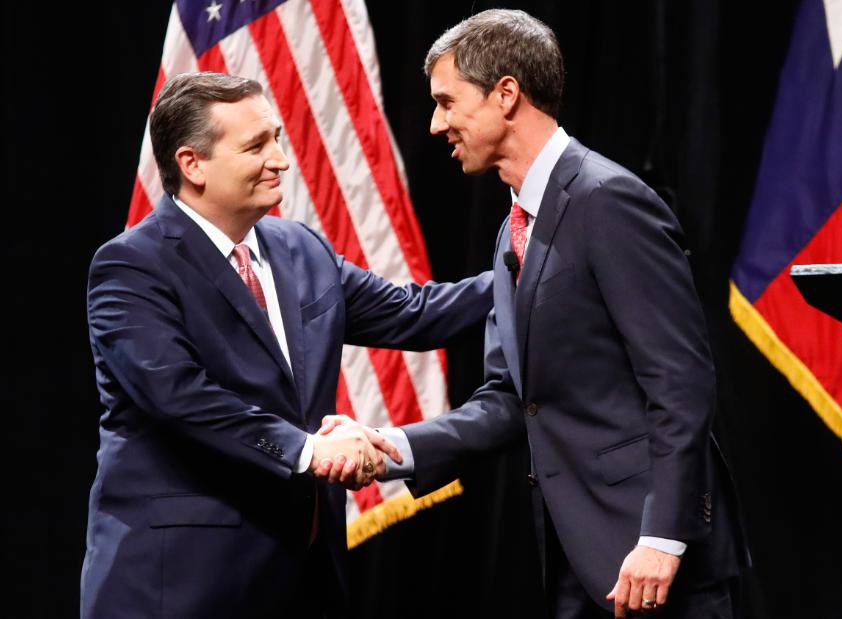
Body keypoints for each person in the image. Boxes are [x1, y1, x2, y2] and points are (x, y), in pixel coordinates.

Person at [321, 9, 741, 618]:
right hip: (579, 560)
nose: (437, 123)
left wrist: (661, 538)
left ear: (506, 94)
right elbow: (508, 403)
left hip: (653, 561)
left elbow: (680, 381)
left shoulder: (607, 200)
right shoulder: (514, 230)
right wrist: (389, 446)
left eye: (447, 101)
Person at [80, 71, 493, 618]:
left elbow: (414, 315)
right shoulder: (132, 266)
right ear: (192, 164)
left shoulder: (299, 247)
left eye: (276, 137)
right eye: (257, 145)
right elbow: (179, 396)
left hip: (302, 575)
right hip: (178, 584)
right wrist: (307, 450)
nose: (281, 159)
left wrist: (533, 264)